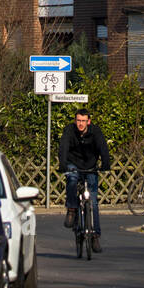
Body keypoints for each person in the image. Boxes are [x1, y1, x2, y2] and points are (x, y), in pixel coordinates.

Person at [58, 108, 111, 253]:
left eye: (83, 121)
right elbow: (63, 148)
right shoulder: (69, 130)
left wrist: (106, 164)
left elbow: (103, 148)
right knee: (72, 179)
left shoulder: (95, 132)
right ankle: (72, 209)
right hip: (74, 164)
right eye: (78, 121)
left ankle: (95, 236)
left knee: (93, 202)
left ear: (88, 121)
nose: (80, 124)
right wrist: (62, 165)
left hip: (90, 166)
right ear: (75, 121)